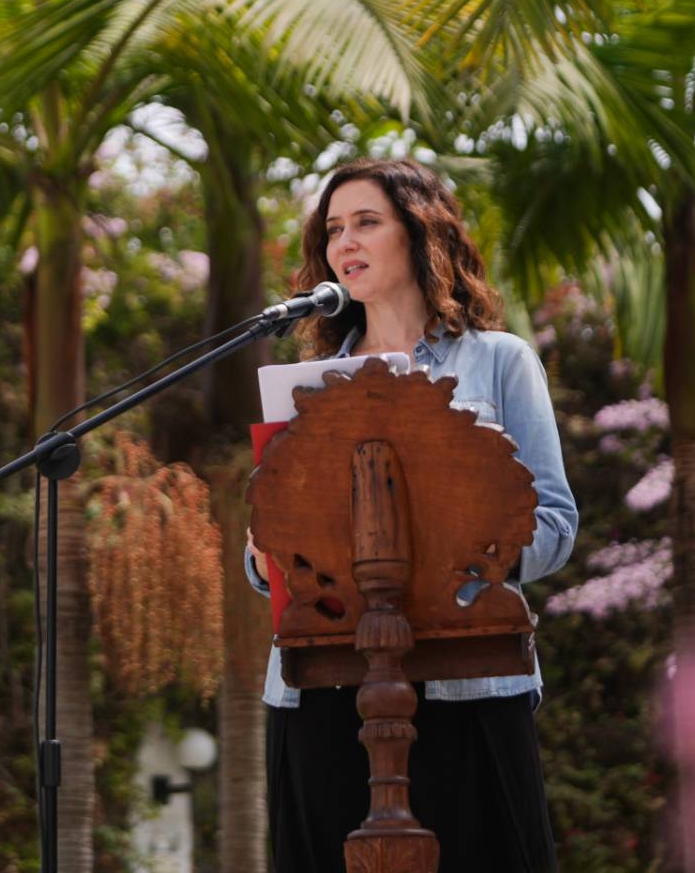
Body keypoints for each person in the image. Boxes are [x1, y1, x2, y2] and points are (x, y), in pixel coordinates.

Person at [244, 157, 578, 873]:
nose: (345, 243)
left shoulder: (498, 362)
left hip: (467, 684)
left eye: (367, 222)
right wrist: (260, 545)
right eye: (334, 230)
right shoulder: (306, 388)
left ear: (421, 233)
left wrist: (465, 559)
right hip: (323, 685)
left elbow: (554, 523)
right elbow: (265, 562)